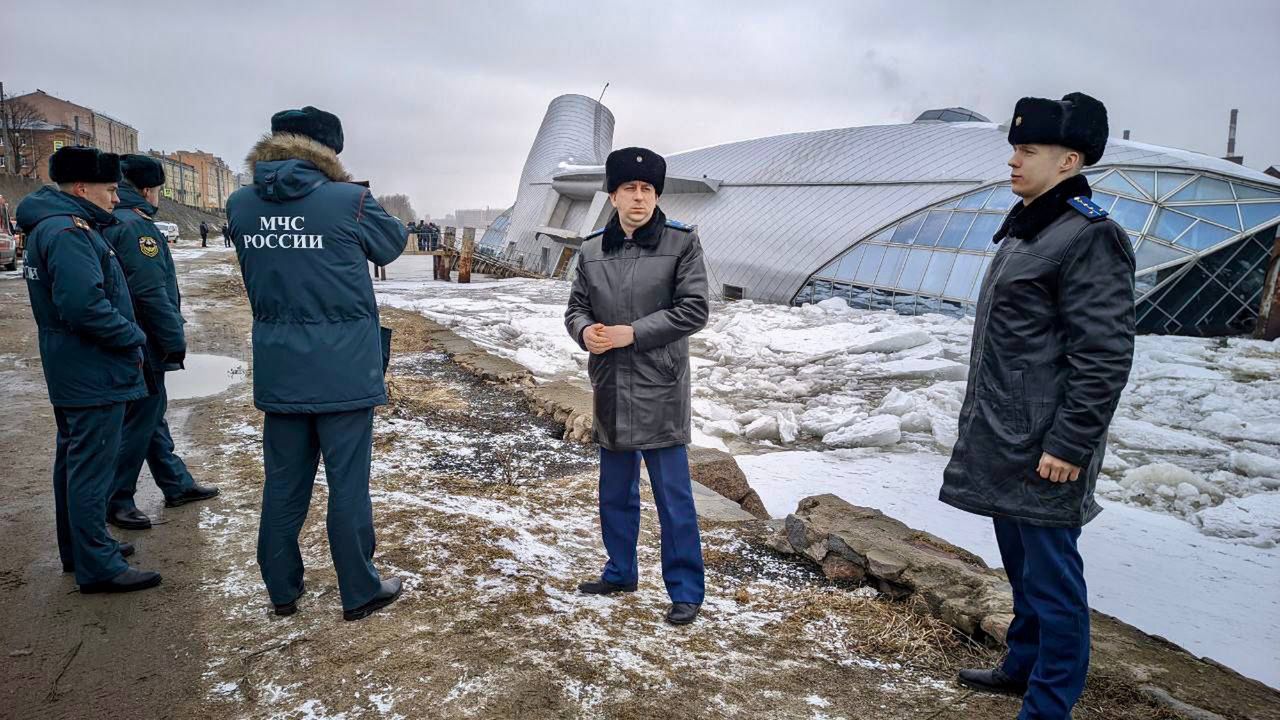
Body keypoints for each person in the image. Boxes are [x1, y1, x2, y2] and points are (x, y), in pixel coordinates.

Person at [941, 93, 1135, 720]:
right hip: (1007, 435)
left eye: (1028, 151)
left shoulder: (1089, 237)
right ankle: (1021, 665)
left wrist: (1070, 443)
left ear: (1069, 160)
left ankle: (1050, 703)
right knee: (1022, 568)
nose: (1014, 161)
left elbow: (1102, 355)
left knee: (1054, 581)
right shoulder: (1030, 228)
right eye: (1014, 149)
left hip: (1048, 444)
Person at [227, 106, 407, 621]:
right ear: (330, 151)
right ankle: (359, 588)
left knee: (284, 482)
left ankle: (282, 590)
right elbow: (392, 244)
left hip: (280, 366)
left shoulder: (241, 204)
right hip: (345, 368)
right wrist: (348, 189)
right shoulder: (348, 201)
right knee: (347, 483)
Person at [564, 147, 709, 625]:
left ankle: (685, 589)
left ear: (656, 196)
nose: (640, 198)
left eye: (648, 189)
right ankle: (620, 571)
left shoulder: (681, 243)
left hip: (660, 386)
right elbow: (576, 309)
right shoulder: (591, 249)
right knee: (615, 492)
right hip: (610, 384)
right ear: (613, 195)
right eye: (630, 188)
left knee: (674, 498)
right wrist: (585, 331)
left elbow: (694, 310)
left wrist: (634, 332)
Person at [17, 146, 162, 593]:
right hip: (92, 366)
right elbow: (83, 305)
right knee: (91, 465)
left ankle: (81, 548)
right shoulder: (69, 232)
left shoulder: (55, 224)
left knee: (75, 459)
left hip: (73, 363)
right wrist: (133, 336)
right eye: (109, 189)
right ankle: (97, 564)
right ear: (82, 188)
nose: (115, 198)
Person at [103, 154, 220, 531]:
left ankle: (175, 483)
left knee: (149, 416)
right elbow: (151, 291)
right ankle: (117, 498)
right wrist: (172, 339)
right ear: (149, 189)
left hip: (125, 336)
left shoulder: (110, 217)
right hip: (143, 338)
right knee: (141, 418)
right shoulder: (137, 227)